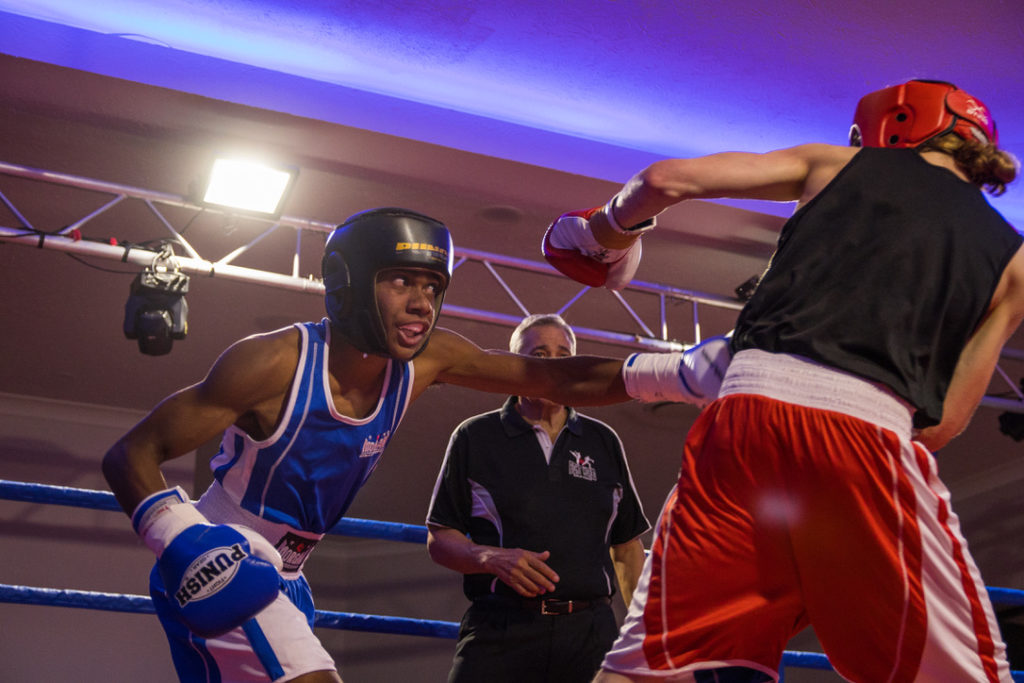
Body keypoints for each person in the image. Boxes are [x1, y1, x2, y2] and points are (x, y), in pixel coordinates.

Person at [542, 79, 1024, 682]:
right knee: (967, 674)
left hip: (741, 420)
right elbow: (946, 423)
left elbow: (664, 181)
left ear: (893, 125)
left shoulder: (834, 163)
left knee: (651, 666)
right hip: (865, 437)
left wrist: (603, 234)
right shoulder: (1015, 262)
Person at [102, 207, 656, 683]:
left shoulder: (425, 362)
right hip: (228, 557)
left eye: (432, 287)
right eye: (401, 282)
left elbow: (557, 380)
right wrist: (184, 542)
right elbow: (130, 454)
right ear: (350, 281)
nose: (421, 303)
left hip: (292, 577)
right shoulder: (273, 363)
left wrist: (677, 372)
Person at [425, 313, 650, 683]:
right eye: (540, 354)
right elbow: (439, 539)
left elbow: (626, 547)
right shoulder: (475, 436)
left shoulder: (603, 440)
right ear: (514, 366)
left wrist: (644, 631)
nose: (553, 366)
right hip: (501, 627)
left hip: (589, 632)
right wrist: (487, 556)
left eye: (563, 355)